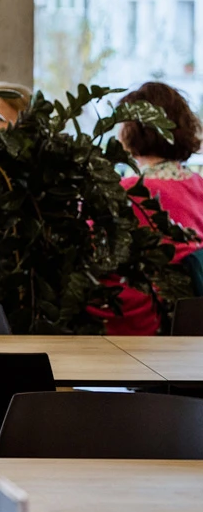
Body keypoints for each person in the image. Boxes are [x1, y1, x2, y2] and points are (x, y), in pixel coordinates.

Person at [95, 81, 203, 335]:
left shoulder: (126, 192)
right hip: (191, 328)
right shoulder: (198, 186)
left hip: (139, 327)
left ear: (131, 129)